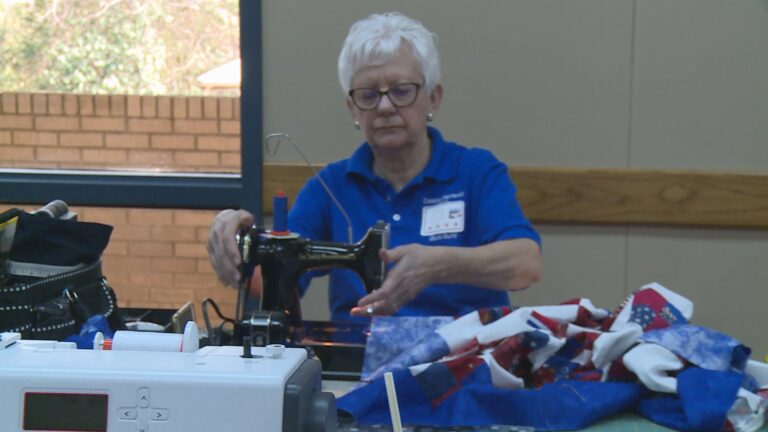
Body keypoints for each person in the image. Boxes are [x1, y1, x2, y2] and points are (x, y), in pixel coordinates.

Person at [208, 11, 542, 322]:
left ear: (433, 98)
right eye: (368, 95)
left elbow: (525, 264)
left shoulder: (476, 172)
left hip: (462, 363)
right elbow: (268, 283)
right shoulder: (330, 187)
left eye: (401, 91)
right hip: (358, 363)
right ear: (353, 108)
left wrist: (438, 265)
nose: (384, 107)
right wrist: (234, 241)